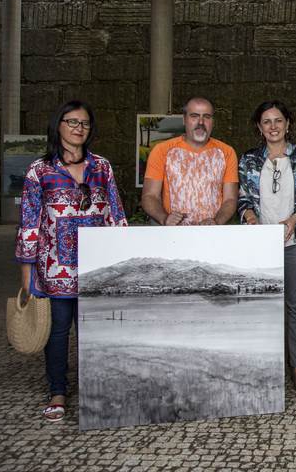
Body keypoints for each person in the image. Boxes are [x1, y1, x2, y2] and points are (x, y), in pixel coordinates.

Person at [15, 100, 127, 422]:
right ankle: (58, 391)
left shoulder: (102, 167)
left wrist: (122, 262)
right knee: (58, 332)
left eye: (85, 123)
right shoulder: (41, 170)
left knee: (95, 331)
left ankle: (97, 388)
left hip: (98, 268)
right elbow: (30, 223)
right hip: (54, 270)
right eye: (72, 122)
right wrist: (27, 274)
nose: (79, 128)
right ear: (59, 125)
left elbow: (115, 215)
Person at [238, 100, 296, 395]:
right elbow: (243, 198)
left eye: (278, 121)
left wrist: (295, 218)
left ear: (287, 124)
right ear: (259, 127)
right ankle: (264, 367)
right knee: (261, 304)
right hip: (259, 242)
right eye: (267, 122)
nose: (273, 126)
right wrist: (250, 217)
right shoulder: (248, 160)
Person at [141, 96, 238, 226]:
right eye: (194, 116)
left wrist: (217, 221)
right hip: (174, 234)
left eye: (207, 117)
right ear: (184, 119)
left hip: (213, 233)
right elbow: (150, 196)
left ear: (212, 121)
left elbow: (230, 199)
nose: (201, 122)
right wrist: (164, 218)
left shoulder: (227, 152)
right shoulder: (162, 150)